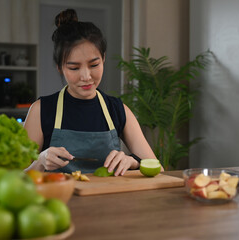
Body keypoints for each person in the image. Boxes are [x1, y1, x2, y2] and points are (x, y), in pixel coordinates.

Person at [24, 9, 157, 176]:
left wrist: (132, 161)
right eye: (74, 68)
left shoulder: (118, 109)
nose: (86, 77)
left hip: (107, 200)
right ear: (60, 68)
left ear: (103, 59)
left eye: (94, 65)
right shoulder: (40, 110)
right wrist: (40, 161)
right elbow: (16, 179)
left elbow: (157, 168)